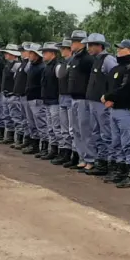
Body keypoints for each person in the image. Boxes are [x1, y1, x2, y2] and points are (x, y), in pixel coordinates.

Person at [102, 39, 130, 188]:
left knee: (129, 143)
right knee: (116, 143)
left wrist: (109, 97)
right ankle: (120, 172)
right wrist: (108, 97)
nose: (118, 50)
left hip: (127, 110)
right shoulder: (117, 68)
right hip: (115, 110)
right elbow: (109, 86)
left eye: (122, 48)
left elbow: (126, 89)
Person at [83, 34, 118, 176]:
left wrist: (111, 98)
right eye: (88, 45)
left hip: (102, 104)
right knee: (96, 133)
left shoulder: (108, 60)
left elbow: (116, 79)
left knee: (106, 134)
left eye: (92, 45)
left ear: (100, 46)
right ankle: (101, 162)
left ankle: (111, 164)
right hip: (93, 102)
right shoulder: (96, 60)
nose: (89, 48)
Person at [65, 29, 93, 170]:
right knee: (75, 130)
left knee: (85, 130)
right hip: (73, 98)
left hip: (83, 99)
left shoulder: (87, 59)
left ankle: (90, 159)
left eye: (74, 41)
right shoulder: (74, 58)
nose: (72, 44)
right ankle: (82, 158)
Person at [52, 38, 75, 166]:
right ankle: (66, 152)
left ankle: (74, 154)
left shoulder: (73, 62)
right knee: (64, 128)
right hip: (62, 96)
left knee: (72, 129)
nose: (62, 51)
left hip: (70, 97)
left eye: (64, 48)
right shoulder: (63, 63)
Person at [38, 42, 61, 160]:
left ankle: (60, 151)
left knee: (56, 127)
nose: (43, 55)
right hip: (47, 100)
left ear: (52, 53)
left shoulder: (57, 66)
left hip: (55, 101)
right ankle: (53, 149)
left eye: (45, 52)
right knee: (50, 127)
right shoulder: (47, 66)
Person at [22, 44, 46, 155]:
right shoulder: (31, 66)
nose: (29, 55)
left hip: (37, 98)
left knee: (40, 124)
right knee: (31, 123)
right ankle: (34, 144)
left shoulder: (42, 67)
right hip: (30, 97)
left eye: (31, 53)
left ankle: (45, 147)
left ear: (37, 55)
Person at [10, 45, 30, 149]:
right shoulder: (22, 64)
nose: (22, 53)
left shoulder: (28, 64)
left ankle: (27, 140)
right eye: (21, 51)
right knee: (22, 118)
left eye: (24, 51)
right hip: (19, 95)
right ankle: (22, 139)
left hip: (25, 95)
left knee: (26, 119)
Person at [1, 44, 21, 142]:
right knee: (7, 116)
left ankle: (18, 138)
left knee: (16, 117)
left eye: (7, 53)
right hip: (6, 93)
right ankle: (10, 136)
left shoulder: (17, 65)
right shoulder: (8, 64)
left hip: (12, 95)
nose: (5, 54)